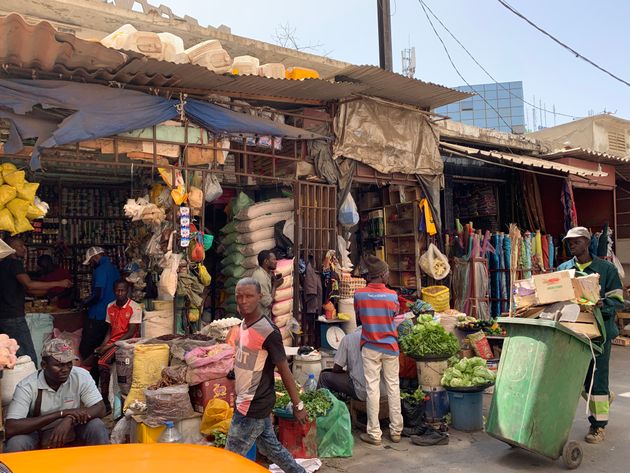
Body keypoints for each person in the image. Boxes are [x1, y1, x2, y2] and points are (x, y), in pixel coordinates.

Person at [225, 277, 306, 473]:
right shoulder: (244, 324)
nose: (243, 301)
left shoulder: (269, 331)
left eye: (249, 296)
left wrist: (298, 405)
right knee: (271, 448)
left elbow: (284, 369)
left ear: (260, 297)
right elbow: (251, 358)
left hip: (253, 405)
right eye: (239, 297)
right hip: (249, 401)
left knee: (229, 458)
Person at [558, 226, 624, 444]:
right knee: (582, 381)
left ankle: (598, 427)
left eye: (576, 241)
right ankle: (604, 398)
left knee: (597, 379)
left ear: (587, 242)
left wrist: (599, 305)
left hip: (600, 333)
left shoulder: (606, 269)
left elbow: (617, 301)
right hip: (574, 331)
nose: (571, 244)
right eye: (569, 242)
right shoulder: (564, 269)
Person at [4, 339, 109, 452]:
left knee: (97, 426)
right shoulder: (27, 386)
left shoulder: (80, 376)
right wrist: (60, 414)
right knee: (17, 442)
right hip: (38, 432)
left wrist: (69, 419)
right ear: (44, 365)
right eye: (59, 365)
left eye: (69, 363)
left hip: (72, 428)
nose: (65, 369)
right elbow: (11, 427)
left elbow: (100, 408)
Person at [354, 254, 403, 446]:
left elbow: (359, 315)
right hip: (390, 346)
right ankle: (396, 430)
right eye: (388, 273)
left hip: (370, 346)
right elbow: (394, 315)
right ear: (381, 275)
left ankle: (374, 433)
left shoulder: (359, 294)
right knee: (393, 387)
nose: (389, 275)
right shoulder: (392, 295)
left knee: (372, 389)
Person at [0, 237, 72, 365]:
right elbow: (29, 285)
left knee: (8, 355)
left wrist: (48, 292)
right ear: (11, 248)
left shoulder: (2, 265)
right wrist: (59, 283)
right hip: (14, 316)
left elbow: (26, 289)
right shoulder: (14, 263)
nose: (24, 249)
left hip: (3, 316)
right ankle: (31, 383)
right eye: (21, 246)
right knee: (29, 357)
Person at [94, 279, 142, 412]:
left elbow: (131, 332)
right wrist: (103, 345)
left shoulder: (135, 307)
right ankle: (99, 397)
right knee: (95, 355)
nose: (119, 293)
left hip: (127, 343)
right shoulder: (110, 306)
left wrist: (108, 347)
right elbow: (110, 331)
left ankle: (106, 402)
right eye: (117, 291)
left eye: (122, 290)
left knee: (102, 363)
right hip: (114, 342)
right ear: (114, 291)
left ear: (127, 292)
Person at [79, 247, 120, 381]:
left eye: (91, 261)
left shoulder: (100, 270)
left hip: (98, 314)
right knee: (102, 347)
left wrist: (85, 302)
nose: (91, 264)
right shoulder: (114, 269)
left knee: (88, 348)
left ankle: (90, 378)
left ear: (95, 257)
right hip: (111, 314)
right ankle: (98, 378)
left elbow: (98, 294)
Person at [317, 326, 376, 401]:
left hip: (362, 391)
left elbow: (337, 368)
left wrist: (346, 373)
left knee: (324, 377)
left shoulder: (348, 338)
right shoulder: (382, 337)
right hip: (383, 390)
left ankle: (322, 408)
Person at [251, 250, 283, 317]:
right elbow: (268, 304)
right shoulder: (260, 277)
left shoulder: (266, 273)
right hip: (260, 318)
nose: (276, 262)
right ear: (266, 261)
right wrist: (275, 286)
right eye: (273, 259)